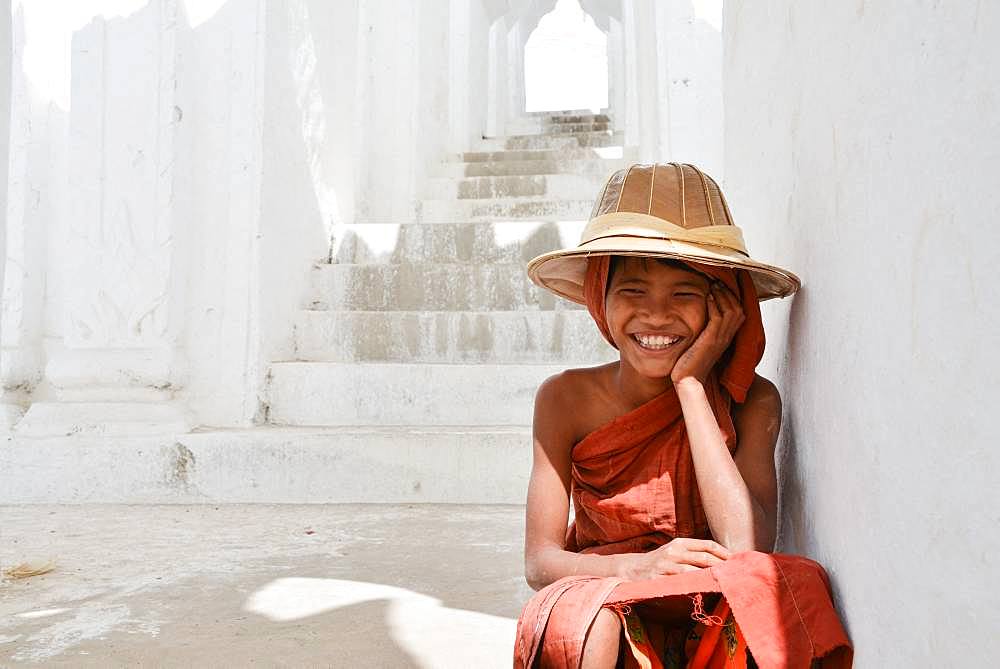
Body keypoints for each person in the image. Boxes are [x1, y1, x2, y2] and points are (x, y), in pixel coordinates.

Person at [515, 164, 852, 668]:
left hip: (709, 606)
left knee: (786, 587)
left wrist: (691, 386)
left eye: (684, 294)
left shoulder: (754, 400)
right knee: (576, 617)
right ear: (599, 301)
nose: (655, 315)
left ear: (726, 309)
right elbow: (540, 562)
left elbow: (744, 547)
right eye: (632, 291)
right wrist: (639, 568)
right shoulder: (565, 399)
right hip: (606, 590)